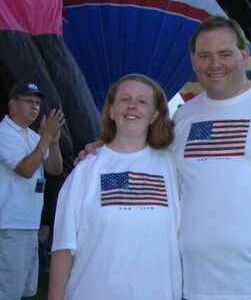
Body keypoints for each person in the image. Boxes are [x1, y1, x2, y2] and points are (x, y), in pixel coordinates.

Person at [77, 16, 251, 300]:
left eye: (225, 54)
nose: (215, 64)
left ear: (244, 55)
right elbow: (144, 163)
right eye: (205, 56)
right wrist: (101, 154)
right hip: (196, 286)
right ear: (193, 59)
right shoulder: (184, 116)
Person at [48, 75, 181, 299]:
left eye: (142, 101)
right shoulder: (87, 169)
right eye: (124, 99)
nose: (132, 106)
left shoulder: (173, 164)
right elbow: (64, 246)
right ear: (111, 111)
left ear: (155, 115)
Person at [0, 82, 64, 299]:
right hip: (9, 224)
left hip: (27, 223)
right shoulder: (4, 132)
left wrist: (53, 143)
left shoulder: (32, 136)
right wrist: (46, 138)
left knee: (24, 289)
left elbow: (55, 169)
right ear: (12, 105)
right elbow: (26, 169)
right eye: (29, 101)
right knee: (8, 291)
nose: (35, 107)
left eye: (37, 103)